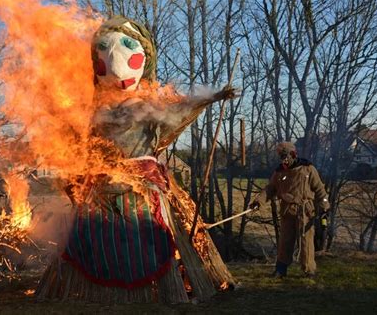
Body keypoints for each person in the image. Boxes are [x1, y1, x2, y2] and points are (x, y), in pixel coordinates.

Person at [36, 16, 237, 303]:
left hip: (142, 186)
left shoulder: (150, 107)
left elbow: (180, 110)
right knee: (90, 234)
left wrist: (211, 97)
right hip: (101, 184)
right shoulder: (94, 113)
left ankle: (169, 286)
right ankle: (86, 288)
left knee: (151, 233)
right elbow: (81, 144)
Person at [250, 142, 329, 278]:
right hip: (287, 211)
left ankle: (309, 270)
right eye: (281, 156)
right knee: (285, 241)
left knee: (306, 242)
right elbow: (270, 189)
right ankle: (281, 269)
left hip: (305, 211)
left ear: (293, 154)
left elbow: (320, 190)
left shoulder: (308, 169)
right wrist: (258, 202)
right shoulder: (279, 172)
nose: (284, 160)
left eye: (285, 156)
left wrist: (324, 207)